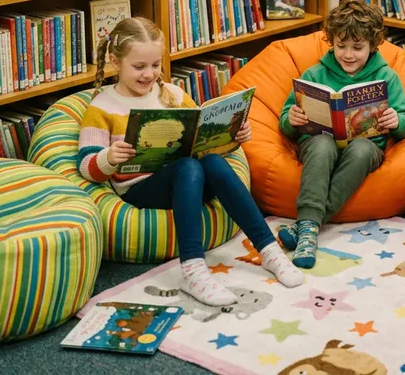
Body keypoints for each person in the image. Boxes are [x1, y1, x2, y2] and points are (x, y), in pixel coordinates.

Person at [77, 17, 303, 306]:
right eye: (139, 67)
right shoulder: (101, 108)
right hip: (142, 189)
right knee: (188, 166)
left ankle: (269, 250)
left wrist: (233, 135)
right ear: (114, 61)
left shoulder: (172, 94)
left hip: (190, 181)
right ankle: (193, 271)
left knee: (213, 164)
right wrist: (108, 158)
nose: (149, 74)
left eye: (155, 65)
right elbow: (86, 166)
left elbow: (201, 134)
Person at [277, 0, 405, 268]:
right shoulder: (315, 74)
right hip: (319, 142)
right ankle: (310, 226)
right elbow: (285, 119)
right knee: (321, 145)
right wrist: (292, 119)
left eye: (357, 47)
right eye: (341, 46)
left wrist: (395, 120)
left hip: (364, 147)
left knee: (363, 149)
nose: (348, 54)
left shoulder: (387, 76)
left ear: (373, 45)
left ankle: (306, 227)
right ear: (331, 42)